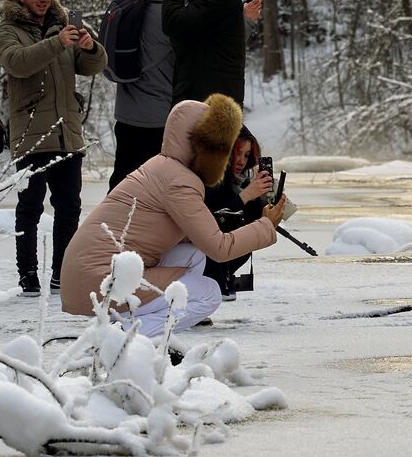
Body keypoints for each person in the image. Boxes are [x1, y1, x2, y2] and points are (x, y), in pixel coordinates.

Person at [59, 94, 285, 337]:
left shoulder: (162, 166)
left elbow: (201, 241)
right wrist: (265, 225)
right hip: (99, 283)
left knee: (195, 256)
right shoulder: (180, 182)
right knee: (209, 294)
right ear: (201, 145)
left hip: (94, 275)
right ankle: (124, 337)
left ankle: (144, 318)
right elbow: (219, 247)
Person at [0, 0, 107, 296]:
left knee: (69, 206)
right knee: (30, 207)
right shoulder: (8, 28)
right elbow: (18, 62)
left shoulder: (64, 25)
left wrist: (89, 47)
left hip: (67, 131)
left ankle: (62, 273)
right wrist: (56, 42)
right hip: (32, 133)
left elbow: (93, 67)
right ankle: (28, 275)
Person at [109, 0, 174, 189]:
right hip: (157, 118)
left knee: (122, 182)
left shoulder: (136, 2)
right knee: (153, 189)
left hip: (126, 114)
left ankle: (108, 222)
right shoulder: (169, 15)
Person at [202, 124, 270, 301]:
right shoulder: (209, 178)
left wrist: (264, 200)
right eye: (237, 153)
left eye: (247, 155)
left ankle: (219, 280)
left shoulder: (238, 181)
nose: (241, 160)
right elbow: (209, 220)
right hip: (201, 255)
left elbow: (250, 219)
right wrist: (246, 195)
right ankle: (210, 285)